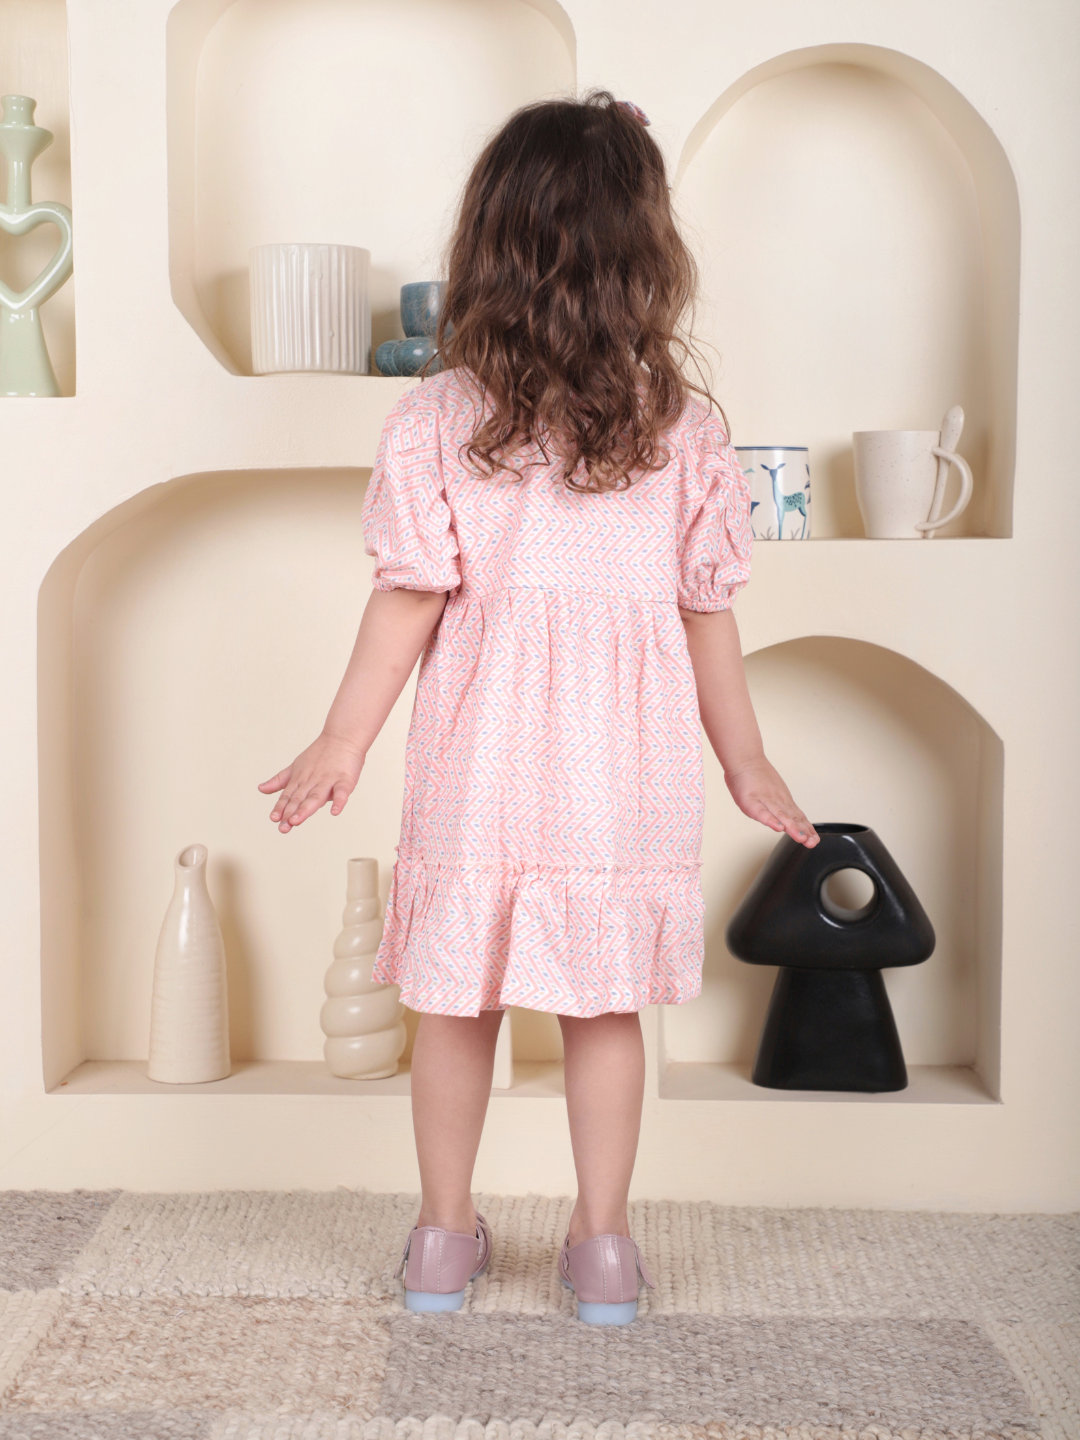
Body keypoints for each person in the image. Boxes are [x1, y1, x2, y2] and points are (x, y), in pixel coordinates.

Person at [258, 91, 819, 1326]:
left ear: (491, 245)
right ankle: (602, 1246)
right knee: (601, 1007)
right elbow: (706, 611)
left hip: (483, 753)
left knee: (455, 1002)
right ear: (644, 255)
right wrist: (746, 760)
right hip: (623, 765)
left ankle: (442, 1239)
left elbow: (410, 597)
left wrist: (345, 738)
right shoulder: (684, 428)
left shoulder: (438, 417)